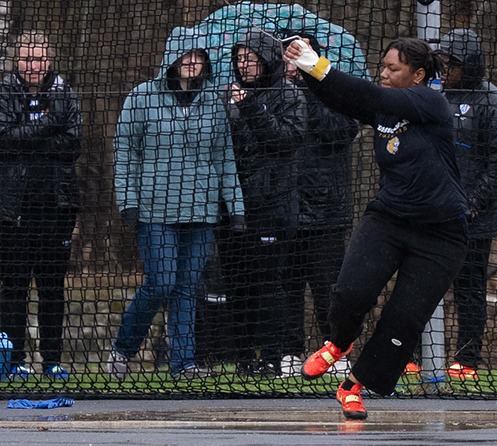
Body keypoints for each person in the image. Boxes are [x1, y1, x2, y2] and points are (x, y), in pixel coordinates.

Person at [283, 37, 469, 419]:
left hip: (441, 235)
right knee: (350, 292)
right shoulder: (385, 108)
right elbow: (347, 99)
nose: (383, 74)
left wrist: (319, 65)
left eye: (393, 69)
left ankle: (353, 386)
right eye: (382, 66)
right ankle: (339, 342)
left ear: (417, 75)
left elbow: (370, 96)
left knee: (403, 321)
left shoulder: (430, 102)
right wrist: (308, 67)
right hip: (389, 219)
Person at [107, 26, 245, 380]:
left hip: (200, 209)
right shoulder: (142, 97)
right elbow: (126, 153)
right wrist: (128, 201)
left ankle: (183, 363)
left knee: (187, 288)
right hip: (154, 210)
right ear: (172, 58)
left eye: (198, 56)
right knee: (161, 283)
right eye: (186, 55)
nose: (192, 62)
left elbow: (224, 157)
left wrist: (236, 206)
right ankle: (122, 350)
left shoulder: (213, 101)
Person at [215, 28, 307, 377]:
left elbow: (285, 140)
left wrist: (249, 106)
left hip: (274, 206)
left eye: (250, 59)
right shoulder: (227, 97)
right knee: (237, 284)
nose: (244, 65)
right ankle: (243, 358)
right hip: (233, 207)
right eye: (239, 59)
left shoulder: (290, 95)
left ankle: (271, 356)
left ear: (267, 60)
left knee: (269, 284)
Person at [436, 28, 497, 380]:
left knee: (469, 289)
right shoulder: (433, 96)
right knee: (420, 286)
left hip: (473, 218)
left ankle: (467, 360)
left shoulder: (493, 102)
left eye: (451, 64)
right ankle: (410, 355)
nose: (444, 71)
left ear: (467, 65)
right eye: (441, 63)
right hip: (431, 214)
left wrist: (473, 203)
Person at [0, 30, 82, 380]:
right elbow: (4, 141)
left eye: (39, 59)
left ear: (49, 59)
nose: (33, 66)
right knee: (14, 287)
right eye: (27, 59)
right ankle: (14, 359)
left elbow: (73, 144)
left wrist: (31, 138)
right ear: (17, 60)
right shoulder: (4, 92)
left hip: (56, 207)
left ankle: (51, 360)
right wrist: (50, 124)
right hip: (14, 209)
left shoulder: (64, 92)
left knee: (52, 288)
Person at [281, 35, 359, 377]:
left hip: (327, 210)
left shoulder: (335, 90)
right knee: (287, 286)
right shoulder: (274, 92)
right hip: (285, 208)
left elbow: (342, 131)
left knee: (329, 287)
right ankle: (288, 352)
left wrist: (309, 92)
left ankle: (337, 351)